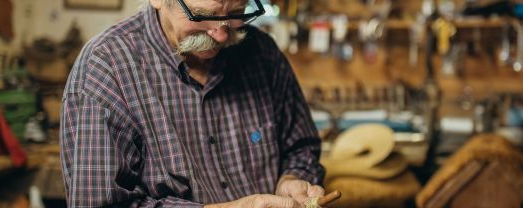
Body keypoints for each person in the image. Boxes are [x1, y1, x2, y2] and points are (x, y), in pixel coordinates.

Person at [59, 0, 325, 207]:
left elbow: (301, 147)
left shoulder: (262, 52)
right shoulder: (108, 68)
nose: (221, 35)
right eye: (202, 15)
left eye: (236, 12)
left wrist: (291, 179)